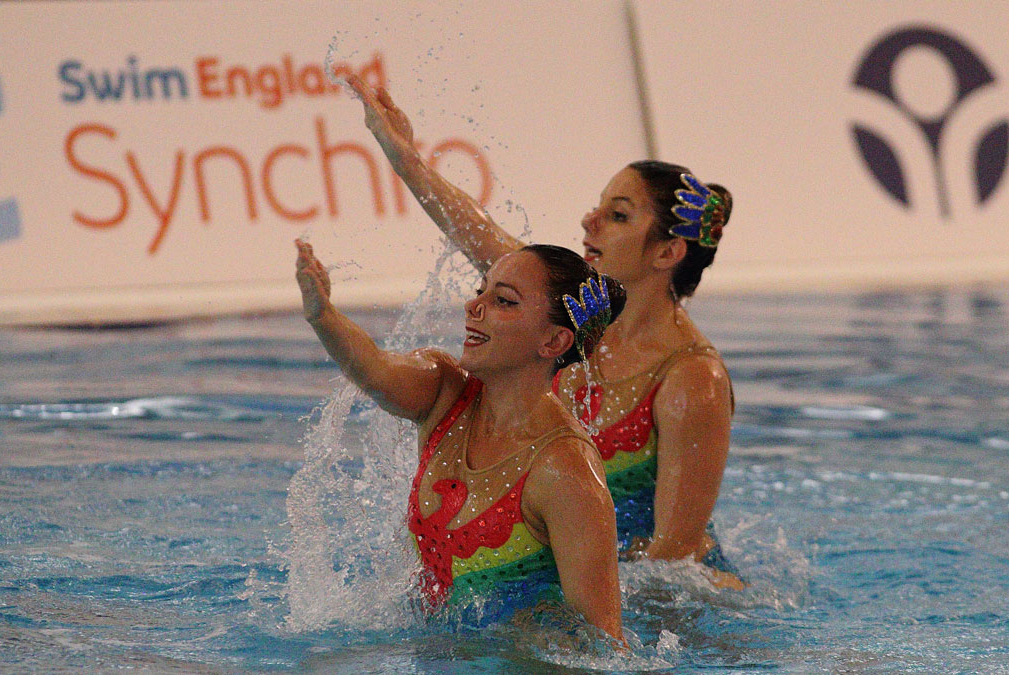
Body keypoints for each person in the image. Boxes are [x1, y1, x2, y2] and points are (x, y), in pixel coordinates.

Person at [346, 75, 743, 590]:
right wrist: (406, 158)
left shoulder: (691, 380)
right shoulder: (572, 310)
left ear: (668, 253)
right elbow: (473, 230)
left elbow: (675, 560)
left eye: (618, 215)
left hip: (656, 602)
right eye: (598, 206)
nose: (590, 220)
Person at [294, 238, 629, 639]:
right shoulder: (445, 394)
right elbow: (376, 372)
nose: (474, 307)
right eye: (479, 291)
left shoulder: (564, 469)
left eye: (504, 301)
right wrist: (323, 316)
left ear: (554, 342)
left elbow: (604, 643)